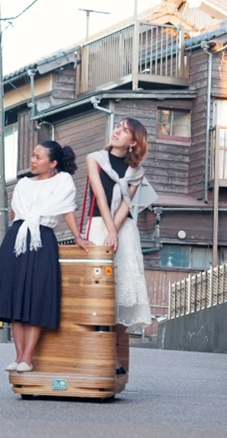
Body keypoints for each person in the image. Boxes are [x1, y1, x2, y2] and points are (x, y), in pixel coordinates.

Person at [0, 140, 89, 373]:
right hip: (17, 239)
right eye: (33, 155)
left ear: (53, 163)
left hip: (43, 239)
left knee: (36, 298)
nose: (33, 160)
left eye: (38, 157)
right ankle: (18, 357)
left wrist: (78, 237)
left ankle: (28, 357)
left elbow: (67, 209)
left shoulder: (63, 181)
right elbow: (15, 214)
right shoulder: (24, 184)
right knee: (16, 297)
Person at [85, 118, 153, 375]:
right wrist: (110, 232)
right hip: (99, 226)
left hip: (125, 230)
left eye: (125, 131)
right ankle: (109, 355)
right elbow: (100, 196)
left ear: (133, 142)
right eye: (118, 127)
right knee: (100, 290)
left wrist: (115, 232)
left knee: (126, 291)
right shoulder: (95, 158)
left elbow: (126, 206)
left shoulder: (136, 171)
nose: (117, 131)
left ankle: (111, 346)